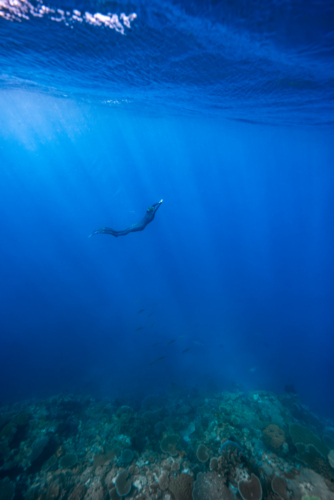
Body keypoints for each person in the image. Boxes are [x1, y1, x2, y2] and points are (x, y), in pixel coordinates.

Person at [89, 199, 163, 238]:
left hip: (140, 226)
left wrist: (159, 203)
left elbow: (154, 207)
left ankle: (99, 231)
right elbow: (154, 207)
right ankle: (99, 231)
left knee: (124, 232)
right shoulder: (151, 214)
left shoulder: (149, 213)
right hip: (139, 225)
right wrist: (159, 203)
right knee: (121, 231)